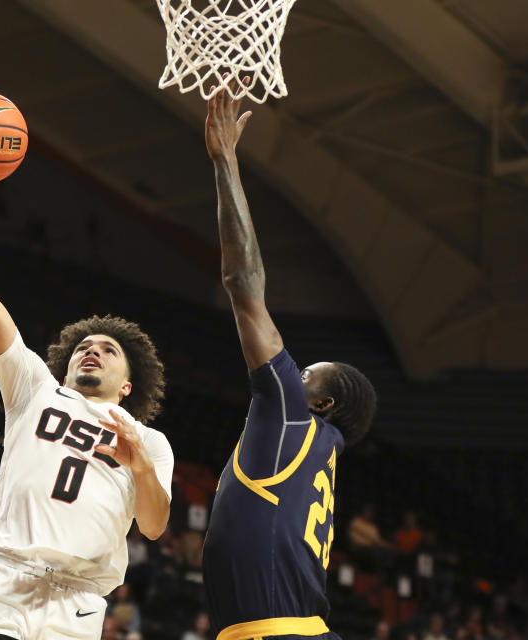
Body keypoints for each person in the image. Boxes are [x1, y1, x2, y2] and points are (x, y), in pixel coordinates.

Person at [0, 111, 174, 640]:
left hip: (79, 604)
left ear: (128, 385)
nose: (92, 352)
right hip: (4, 584)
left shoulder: (149, 441)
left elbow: (154, 526)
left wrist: (141, 469)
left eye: (108, 351)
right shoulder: (33, 388)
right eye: (84, 347)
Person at [199, 80, 377, 639]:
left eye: (304, 374)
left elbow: (242, 283)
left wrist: (225, 161)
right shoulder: (315, 453)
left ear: (321, 401)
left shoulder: (294, 421)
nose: (290, 373)